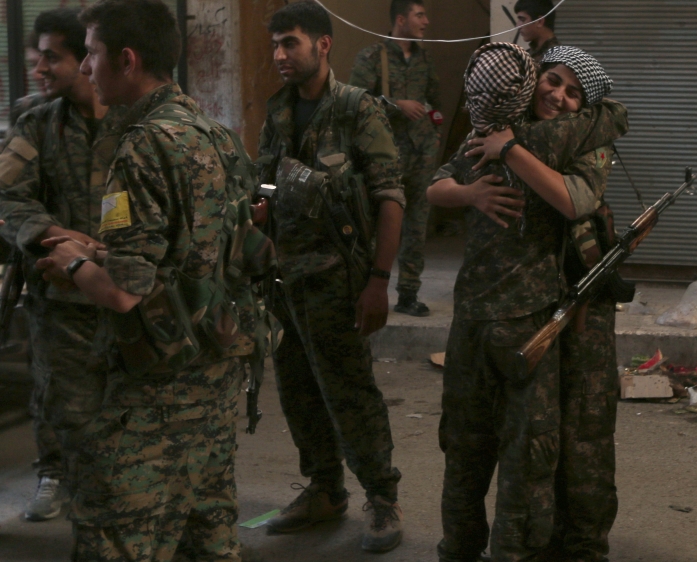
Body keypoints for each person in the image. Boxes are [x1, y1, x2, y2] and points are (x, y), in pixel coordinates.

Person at [36, 0, 270, 558]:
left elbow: (123, 292)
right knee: (208, 539)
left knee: (113, 536)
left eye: (91, 54)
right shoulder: (217, 135)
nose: (87, 68)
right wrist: (101, 248)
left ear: (127, 59)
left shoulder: (141, 148)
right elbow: (201, 251)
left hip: (154, 396)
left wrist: (70, 263)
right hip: (214, 379)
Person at [427, 42, 626, 562]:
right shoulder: (493, 128)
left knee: (531, 457)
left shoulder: (580, 144)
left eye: (574, 93)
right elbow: (434, 186)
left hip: (537, 318)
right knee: (464, 447)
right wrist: (471, 194)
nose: (558, 95)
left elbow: (573, 199)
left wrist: (511, 149)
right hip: (474, 316)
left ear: (586, 108)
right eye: (553, 80)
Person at [257, 1, 407, 552]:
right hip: (284, 282)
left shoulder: (357, 110)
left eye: (289, 42)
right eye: (274, 44)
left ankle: (382, 497)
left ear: (323, 44)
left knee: (349, 391)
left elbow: (391, 198)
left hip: (338, 283)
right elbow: (265, 187)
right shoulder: (277, 112)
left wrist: (378, 281)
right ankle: (324, 488)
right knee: (297, 391)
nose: (279, 55)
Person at [0, 7, 123, 523]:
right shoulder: (38, 122)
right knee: (57, 397)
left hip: (123, 287)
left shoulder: (133, 121)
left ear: (87, 60)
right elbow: (6, 197)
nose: (40, 68)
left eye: (53, 57)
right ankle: (54, 473)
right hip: (57, 293)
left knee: (125, 398)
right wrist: (58, 235)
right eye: (37, 58)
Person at [349, 0, 441, 317]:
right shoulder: (373, 57)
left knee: (417, 224)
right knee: (377, 223)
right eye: (420, 15)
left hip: (422, 153)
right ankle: (367, 290)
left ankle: (408, 294)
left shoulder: (424, 58)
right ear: (400, 19)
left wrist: (434, 123)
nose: (426, 22)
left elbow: (436, 100)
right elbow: (356, 102)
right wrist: (396, 104)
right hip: (385, 154)